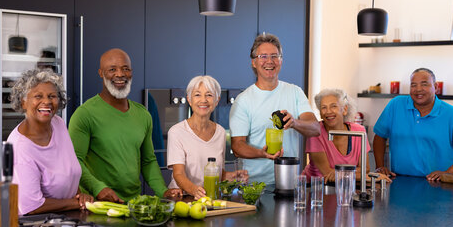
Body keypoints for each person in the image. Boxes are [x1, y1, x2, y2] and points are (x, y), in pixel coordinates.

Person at [68, 48, 181, 202]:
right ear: (101, 73)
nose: (120, 74)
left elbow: (148, 161)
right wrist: (98, 188)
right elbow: (74, 161)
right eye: (112, 69)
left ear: (131, 72)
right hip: (98, 205)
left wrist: (163, 191)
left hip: (134, 205)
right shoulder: (85, 114)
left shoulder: (143, 114)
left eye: (125, 69)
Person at [229, 33, 320, 185]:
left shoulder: (295, 92)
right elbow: (237, 146)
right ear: (253, 62)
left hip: (289, 183)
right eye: (263, 56)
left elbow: (315, 128)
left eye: (274, 56)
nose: (269, 61)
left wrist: (294, 123)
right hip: (254, 186)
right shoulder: (243, 100)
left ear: (281, 61)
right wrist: (262, 153)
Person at [8, 68, 93, 215]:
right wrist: (76, 203)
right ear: (23, 103)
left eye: (52, 96)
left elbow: (69, 175)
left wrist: (80, 196)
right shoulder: (20, 148)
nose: (46, 101)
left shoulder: (58, 124)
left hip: (68, 219)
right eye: (38, 96)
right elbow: (31, 206)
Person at [373, 68, 453, 181]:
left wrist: (448, 173)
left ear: (436, 87)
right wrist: (380, 166)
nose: (418, 89)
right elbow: (380, 136)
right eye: (413, 85)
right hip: (400, 181)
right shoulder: (395, 105)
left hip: (439, 185)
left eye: (424, 84)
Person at [167, 75, 248, 199]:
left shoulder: (220, 132)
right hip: (184, 198)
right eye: (197, 95)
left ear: (216, 101)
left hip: (211, 197)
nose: (203, 100)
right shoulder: (177, 132)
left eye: (209, 95)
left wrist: (233, 176)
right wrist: (194, 190)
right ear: (189, 99)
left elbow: (217, 173)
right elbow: (178, 174)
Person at [303, 89, 389, 183]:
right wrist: (364, 176)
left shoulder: (359, 131)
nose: (328, 111)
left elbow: (365, 169)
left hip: (345, 187)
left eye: (333, 106)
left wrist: (339, 174)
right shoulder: (315, 133)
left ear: (344, 109)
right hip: (314, 189)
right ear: (320, 113)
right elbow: (327, 174)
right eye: (323, 107)